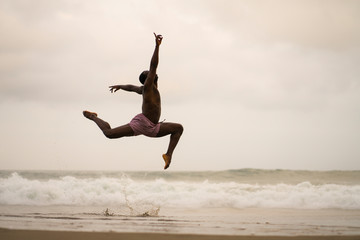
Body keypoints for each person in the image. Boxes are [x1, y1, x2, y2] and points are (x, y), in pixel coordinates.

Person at [83, 33, 183, 170]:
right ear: (147, 79)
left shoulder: (149, 88)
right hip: (142, 124)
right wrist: (157, 46)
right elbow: (153, 65)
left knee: (178, 128)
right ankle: (93, 117)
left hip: (154, 127)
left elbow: (131, 87)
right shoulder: (147, 87)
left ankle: (168, 155)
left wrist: (120, 86)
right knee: (109, 134)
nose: (151, 72)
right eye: (148, 73)